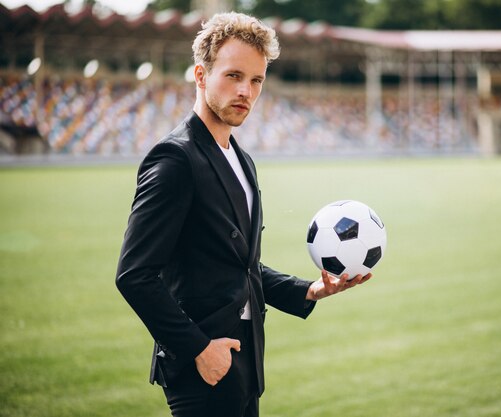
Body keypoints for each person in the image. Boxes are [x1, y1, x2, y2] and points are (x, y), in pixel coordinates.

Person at [115, 12, 371, 417]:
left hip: (245, 359)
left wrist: (309, 290)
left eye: (256, 81)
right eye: (233, 76)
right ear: (200, 75)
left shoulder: (242, 160)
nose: (246, 92)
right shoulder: (175, 159)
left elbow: (239, 265)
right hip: (204, 367)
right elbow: (134, 275)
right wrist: (199, 348)